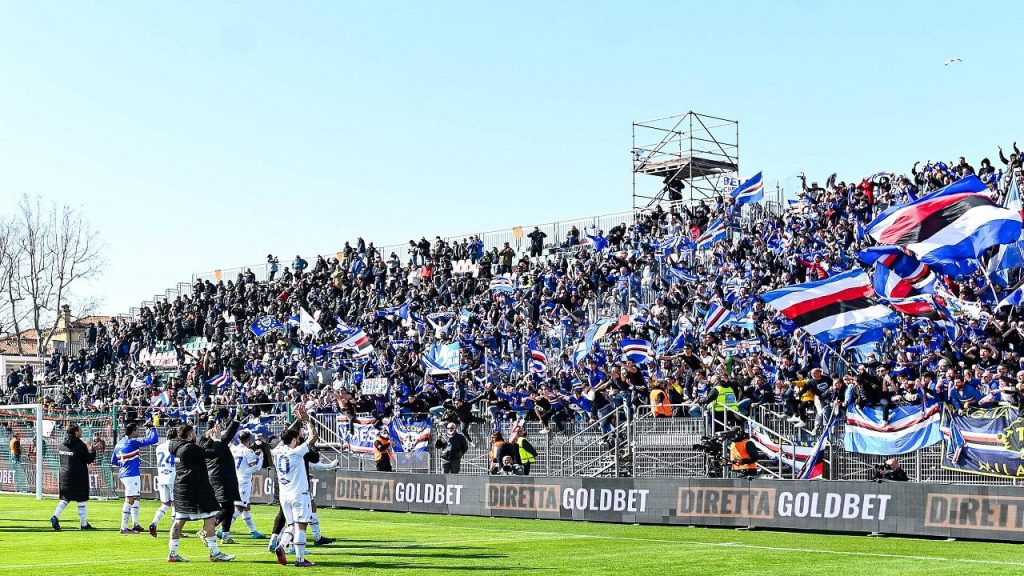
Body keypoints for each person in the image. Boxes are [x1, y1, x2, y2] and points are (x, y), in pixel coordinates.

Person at [166, 423, 235, 563]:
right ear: (190, 434)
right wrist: (216, 440)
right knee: (210, 519)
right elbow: (212, 453)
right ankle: (214, 553)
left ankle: (173, 553)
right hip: (195, 490)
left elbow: (200, 450)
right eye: (194, 433)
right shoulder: (188, 447)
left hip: (181, 489)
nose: (196, 435)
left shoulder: (176, 446)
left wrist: (207, 437)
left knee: (179, 521)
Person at [271, 404, 319, 567]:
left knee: (291, 525)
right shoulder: (296, 452)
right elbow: (314, 437)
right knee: (301, 527)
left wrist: (297, 419)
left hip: (284, 496)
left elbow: (287, 435)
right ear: (293, 440)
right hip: (299, 494)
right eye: (297, 438)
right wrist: (307, 421)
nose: (299, 440)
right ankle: (300, 560)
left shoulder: (276, 450)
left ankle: (281, 545)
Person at [199, 411, 242, 545]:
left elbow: (208, 432)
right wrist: (237, 418)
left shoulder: (204, 444)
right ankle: (206, 531)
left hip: (216, 478)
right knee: (226, 508)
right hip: (222, 480)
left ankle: (225, 536)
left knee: (229, 507)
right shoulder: (219, 443)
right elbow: (230, 433)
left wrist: (210, 420)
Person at [50, 424, 101, 531]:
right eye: (80, 430)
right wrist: (93, 450)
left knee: (65, 499)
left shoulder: (61, 445)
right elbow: (88, 459)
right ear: (76, 432)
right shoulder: (80, 445)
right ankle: (83, 524)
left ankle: (55, 516)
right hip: (78, 476)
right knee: (81, 499)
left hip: (64, 476)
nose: (82, 432)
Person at [111, 421, 159, 534]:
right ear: (133, 432)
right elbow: (153, 440)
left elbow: (113, 460)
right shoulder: (132, 442)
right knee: (130, 499)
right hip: (131, 474)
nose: (138, 432)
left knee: (136, 498)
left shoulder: (119, 443)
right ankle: (123, 528)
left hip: (124, 473)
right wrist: (152, 428)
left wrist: (124, 465)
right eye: (137, 430)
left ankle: (135, 524)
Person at [227, 430, 266, 539]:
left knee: (246, 506)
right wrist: (260, 457)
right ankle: (223, 530)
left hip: (234, 479)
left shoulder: (232, 449)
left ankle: (253, 531)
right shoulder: (248, 452)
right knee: (240, 507)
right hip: (243, 482)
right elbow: (254, 468)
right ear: (249, 440)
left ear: (238, 439)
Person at [148, 428, 178, 537]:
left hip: (162, 477)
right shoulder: (175, 446)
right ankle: (175, 529)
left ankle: (154, 522)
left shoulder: (159, 447)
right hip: (173, 477)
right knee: (176, 504)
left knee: (165, 504)